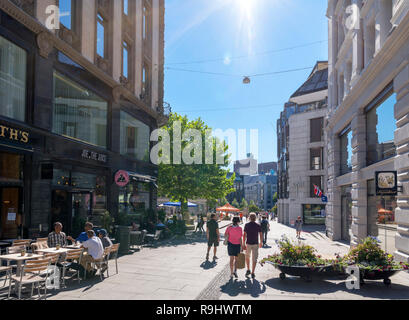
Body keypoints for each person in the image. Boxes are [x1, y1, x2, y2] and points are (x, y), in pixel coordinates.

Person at [243, 213, 263, 279]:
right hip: (255, 244)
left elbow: (244, 235)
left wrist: (243, 243)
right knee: (254, 258)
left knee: (247, 257)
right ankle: (253, 272)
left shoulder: (246, 225)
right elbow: (260, 234)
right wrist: (261, 242)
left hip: (248, 243)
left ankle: (248, 269)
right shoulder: (258, 225)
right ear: (255, 218)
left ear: (249, 218)